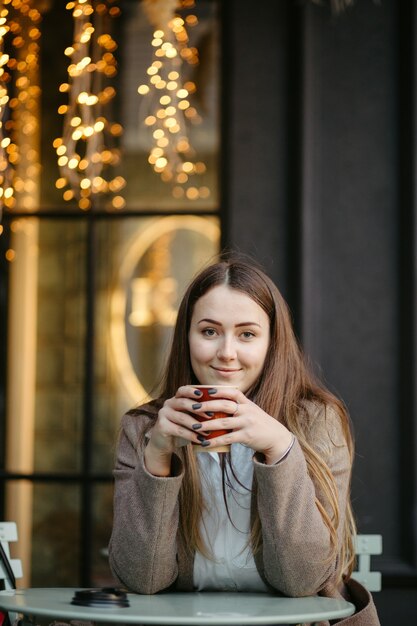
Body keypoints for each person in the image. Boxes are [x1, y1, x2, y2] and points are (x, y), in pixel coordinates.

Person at [109, 256, 380, 625]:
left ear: (272, 342)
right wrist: (157, 455)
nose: (226, 353)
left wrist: (280, 450)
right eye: (209, 331)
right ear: (186, 337)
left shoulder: (316, 422)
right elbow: (143, 579)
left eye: (247, 334)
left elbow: (303, 580)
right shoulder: (143, 428)